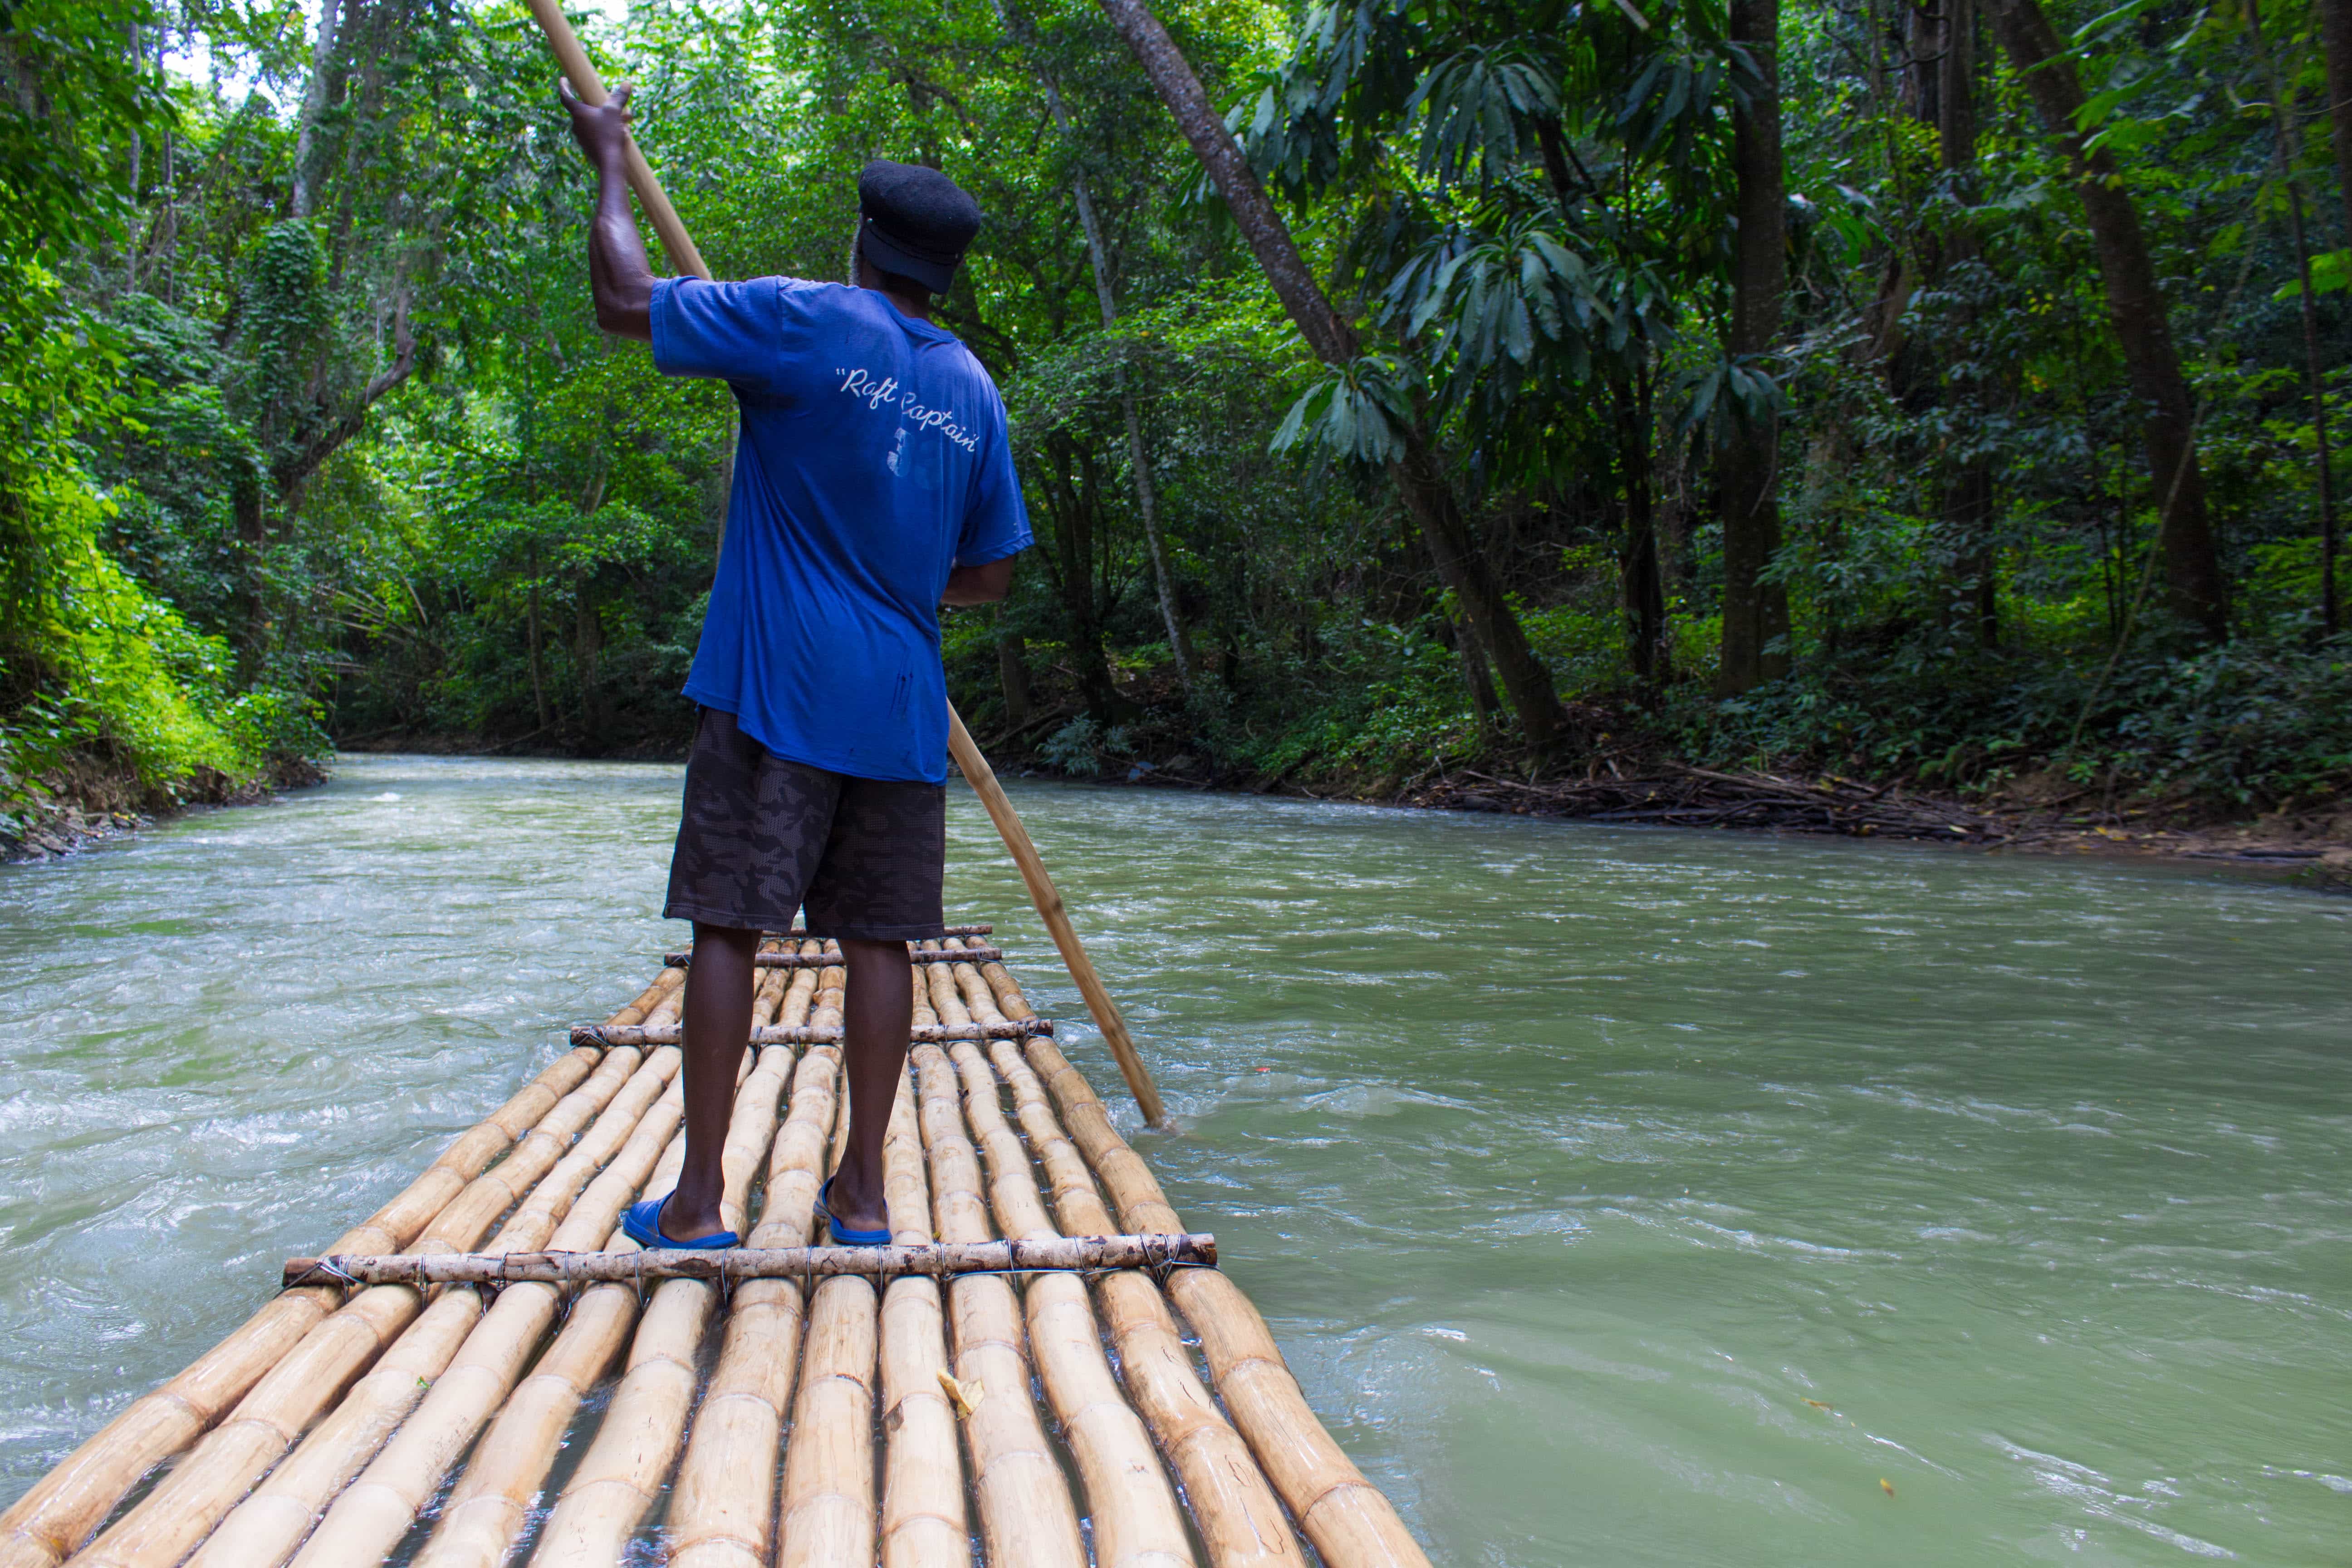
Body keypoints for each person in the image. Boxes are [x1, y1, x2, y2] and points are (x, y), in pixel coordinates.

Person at [560, 83, 1029, 1247]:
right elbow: (988, 578)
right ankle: (863, 1196)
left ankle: (702, 1201)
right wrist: (898, 582)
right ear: (945, 273)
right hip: (901, 709)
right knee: (882, 945)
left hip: (776, 690)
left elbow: (624, 299)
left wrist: (612, 157)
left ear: (863, 242)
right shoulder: (975, 392)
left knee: (728, 927)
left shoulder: (804, 319)